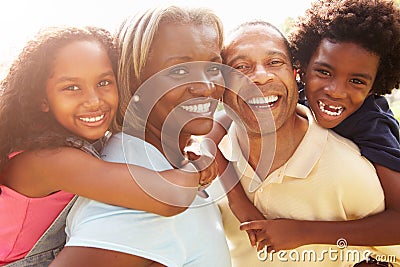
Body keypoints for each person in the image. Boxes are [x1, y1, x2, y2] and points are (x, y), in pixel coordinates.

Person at [0, 25, 217, 266]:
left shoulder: (78, 143)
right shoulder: (48, 160)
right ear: (41, 99)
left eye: (104, 82)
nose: (93, 101)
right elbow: (168, 196)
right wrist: (198, 165)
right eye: (71, 88)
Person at [206, 19, 398, 266]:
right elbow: (221, 122)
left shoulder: (367, 141)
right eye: (241, 66)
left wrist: (302, 232)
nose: (335, 91)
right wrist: (237, 199)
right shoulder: (201, 165)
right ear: (303, 72)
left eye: (274, 62)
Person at [50, 6, 231, 267]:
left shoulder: (164, 164)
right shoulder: (141, 194)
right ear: (133, 80)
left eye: (214, 67)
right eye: (179, 71)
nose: (206, 86)